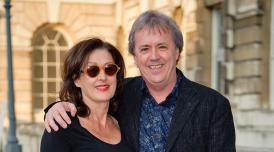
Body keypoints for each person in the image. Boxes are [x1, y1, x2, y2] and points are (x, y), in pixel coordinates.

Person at [44, 10, 236, 152]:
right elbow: (87, 103)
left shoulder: (213, 105)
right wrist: (55, 107)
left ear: (177, 52)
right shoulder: (122, 93)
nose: (154, 57)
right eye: (144, 49)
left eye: (162, 47)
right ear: (134, 56)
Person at [40, 38, 132, 152]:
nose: (103, 77)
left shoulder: (125, 122)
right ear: (76, 79)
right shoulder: (62, 126)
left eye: (109, 69)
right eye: (92, 70)